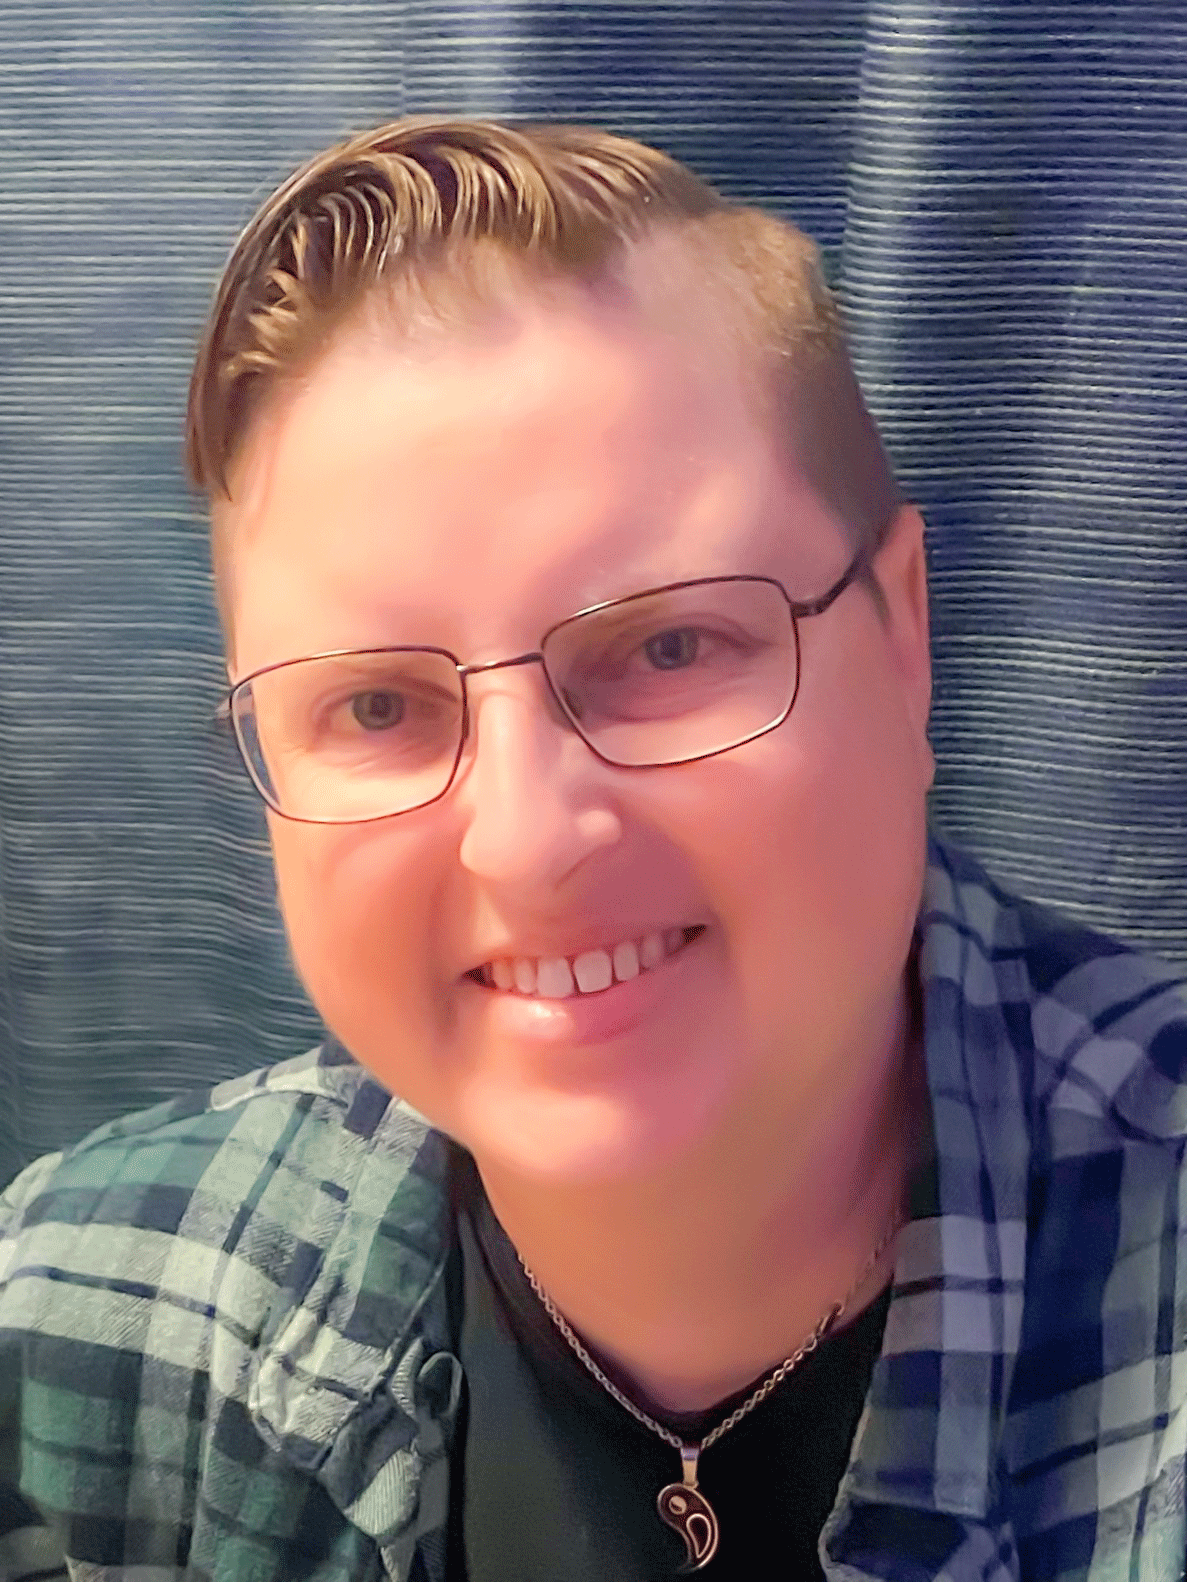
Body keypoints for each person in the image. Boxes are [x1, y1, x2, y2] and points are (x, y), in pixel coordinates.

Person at [0, 116, 1184, 1582]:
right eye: (375, 707)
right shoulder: (70, 1322)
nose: (528, 839)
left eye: (669, 647)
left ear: (902, 642)